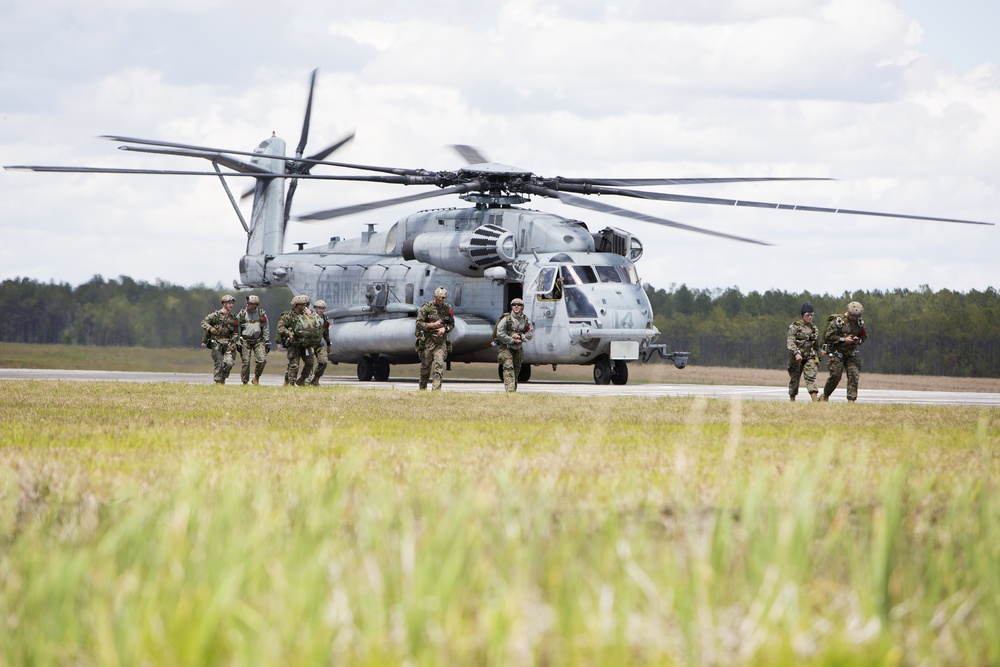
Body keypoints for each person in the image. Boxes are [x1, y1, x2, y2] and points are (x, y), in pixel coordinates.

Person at [821, 300, 868, 402]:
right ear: (849, 312)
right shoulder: (838, 322)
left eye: (857, 316)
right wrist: (843, 340)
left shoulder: (859, 323)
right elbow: (828, 336)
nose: (855, 318)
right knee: (835, 376)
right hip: (837, 352)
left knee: (854, 375)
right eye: (853, 316)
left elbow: (864, 336)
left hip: (851, 353)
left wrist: (858, 340)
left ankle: (851, 400)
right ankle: (825, 395)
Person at [415, 286, 455, 390]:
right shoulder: (426, 308)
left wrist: (444, 329)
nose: (441, 302)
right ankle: (422, 389)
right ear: (435, 297)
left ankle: (436, 391)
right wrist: (432, 325)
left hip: (440, 342)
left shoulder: (448, 309)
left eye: (443, 300)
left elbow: (452, 324)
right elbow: (418, 324)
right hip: (428, 342)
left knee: (439, 366)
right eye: (439, 299)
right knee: (425, 368)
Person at [495, 297, 533, 392]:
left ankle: (513, 390)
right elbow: (499, 333)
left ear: (522, 307)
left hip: (518, 348)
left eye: (519, 304)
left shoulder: (526, 321)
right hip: (506, 348)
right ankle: (510, 391)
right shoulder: (506, 320)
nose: (516, 306)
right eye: (514, 304)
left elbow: (530, 334)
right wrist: (511, 339)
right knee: (508, 368)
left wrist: (520, 337)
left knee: (516, 369)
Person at [276, 295, 315, 386]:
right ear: (297, 305)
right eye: (303, 305)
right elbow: (280, 327)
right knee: (294, 365)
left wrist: (311, 315)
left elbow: (317, 323)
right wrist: (288, 333)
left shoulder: (308, 315)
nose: (305, 306)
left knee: (310, 363)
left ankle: (302, 379)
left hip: (306, 344)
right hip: (294, 344)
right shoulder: (288, 315)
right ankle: (292, 384)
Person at [200, 294, 239, 384]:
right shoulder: (214, 315)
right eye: (229, 303)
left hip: (228, 344)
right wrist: (211, 329)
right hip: (216, 342)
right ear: (224, 303)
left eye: (232, 303)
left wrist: (234, 341)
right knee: (218, 363)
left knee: (228, 363)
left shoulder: (233, 318)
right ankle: (218, 382)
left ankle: (223, 379)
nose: (231, 305)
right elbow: (203, 322)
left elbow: (235, 332)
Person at [786, 301, 820, 401]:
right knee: (794, 378)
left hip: (809, 357)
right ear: (803, 315)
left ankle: (814, 398)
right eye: (807, 315)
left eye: (811, 315)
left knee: (811, 376)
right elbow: (790, 341)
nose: (809, 317)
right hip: (796, 358)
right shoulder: (795, 327)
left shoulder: (814, 328)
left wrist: (817, 359)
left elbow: (816, 345)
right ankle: (792, 398)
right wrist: (796, 353)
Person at [236, 294, 270, 385]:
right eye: (247, 303)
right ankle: (244, 381)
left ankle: (256, 378)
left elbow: (266, 328)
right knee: (246, 362)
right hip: (245, 341)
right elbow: (237, 328)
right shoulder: (242, 314)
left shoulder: (261, 314)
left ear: (256, 304)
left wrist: (267, 341)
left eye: (250, 304)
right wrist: (237, 341)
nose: (248, 305)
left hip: (258, 341)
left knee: (262, 360)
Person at [305, 299, 331, 386]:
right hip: (309, 343)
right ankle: (306, 381)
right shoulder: (309, 315)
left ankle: (315, 380)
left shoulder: (325, 319)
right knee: (310, 362)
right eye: (319, 308)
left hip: (319, 344)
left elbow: (326, 332)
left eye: (322, 308)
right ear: (315, 308)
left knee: (323, 362)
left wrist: (328, 344)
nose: (320, 310)